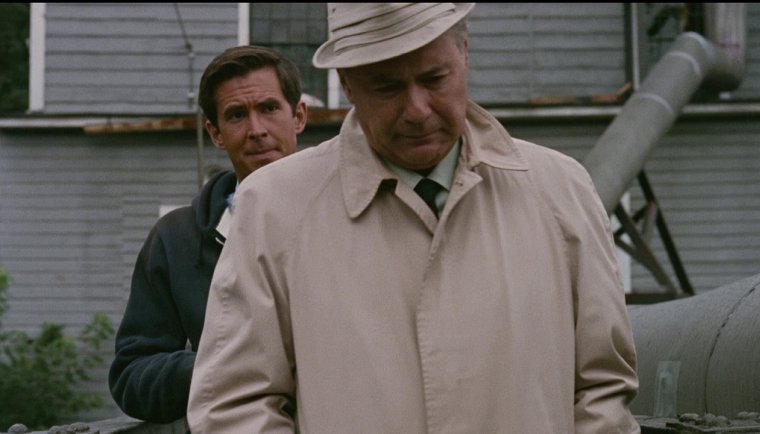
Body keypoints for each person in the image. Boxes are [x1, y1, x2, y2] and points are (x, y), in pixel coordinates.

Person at [187, 3, 640, 433]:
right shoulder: (272, 209)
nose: (418, 110)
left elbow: (602, 388)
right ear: (347, 84)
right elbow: (235, 404)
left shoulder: (561, 191)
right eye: (387, 87)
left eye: (435, 78)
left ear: (465, 54)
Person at [108, 45, 308, 423]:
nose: (257, 130)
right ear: (215, 133)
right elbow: (132, 376)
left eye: (269, 108)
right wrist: (224, 365)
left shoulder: (352, 214)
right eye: (236, 115)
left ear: (298, 116)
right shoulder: (177, 238)